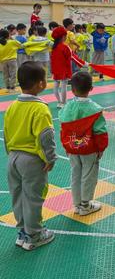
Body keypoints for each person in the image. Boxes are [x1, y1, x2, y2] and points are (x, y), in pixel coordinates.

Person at [4, 61, 57, 250]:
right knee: (34, 197)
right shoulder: (40, 108)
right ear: (40, 84)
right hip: (32, 160)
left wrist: (10, 153)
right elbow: (45, 136)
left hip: (13, 158)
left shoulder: (12, 106)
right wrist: (50, 158)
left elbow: (7, 132)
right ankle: (34, 235)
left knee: (17, 196)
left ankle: (22, 232)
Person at [59, 71, 108, 216]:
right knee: (89, 175)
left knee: (75, 174)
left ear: (72, 89)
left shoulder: (66, 108)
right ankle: (86, 205)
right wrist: (101, 149)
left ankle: (77, 204)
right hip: (90, 150)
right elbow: (100, 132)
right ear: (91, 88)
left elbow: (63, 129)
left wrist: (66, 146)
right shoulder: (96, 109)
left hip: (72, 148)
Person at [50, 26, 72, 108]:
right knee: (64, 86)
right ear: (63, 37)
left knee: (55, 86)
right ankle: (64, 102)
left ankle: (59, 102)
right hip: (64, 69)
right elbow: (69, 58)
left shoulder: (53, 47)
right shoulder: (65, 47)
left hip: (56, 69)